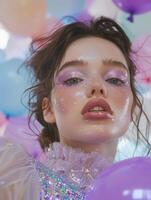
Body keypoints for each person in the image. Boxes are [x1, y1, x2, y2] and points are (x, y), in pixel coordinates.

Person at [0, 16, 150, 200]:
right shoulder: (12, 181)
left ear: (131, 105)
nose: (97, 87)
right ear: (48, 109)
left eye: (114, 79)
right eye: (73, 79)